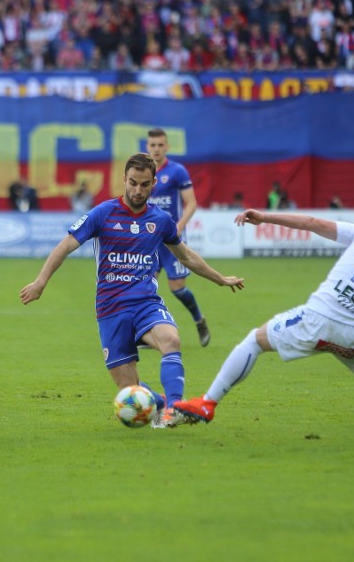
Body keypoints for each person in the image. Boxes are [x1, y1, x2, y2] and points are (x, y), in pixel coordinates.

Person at [19, 153, 244, 427]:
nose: (138, 190)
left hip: (145, 303)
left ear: (153, 185)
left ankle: (175, 408)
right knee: (129, 391)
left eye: (145, 185)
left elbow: (185, 256)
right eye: (134, 183)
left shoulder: (160, 220)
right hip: (110, 309)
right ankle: (159, 403)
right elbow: (65, 246)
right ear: (124, 180)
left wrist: (219, 278)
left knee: (171, 340)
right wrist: (40, 282)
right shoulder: (103, 213)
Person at [175, 211, 354, 445]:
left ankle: (208, 402)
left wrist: (264, 217)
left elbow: (313, 223)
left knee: (255, 341)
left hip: (316, 320)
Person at [145, 128, 211, 347]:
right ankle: (146, 332)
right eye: (152, 145)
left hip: (172, 240)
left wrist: (179, 226)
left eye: (160, 145)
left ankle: (199, 320)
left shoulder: (177, 171)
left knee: (178, 289)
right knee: (145, 286)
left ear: (167, 147)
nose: (156, 149)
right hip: (149, 240)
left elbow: (191, 203)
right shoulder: (142, 171)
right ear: (147, 147)